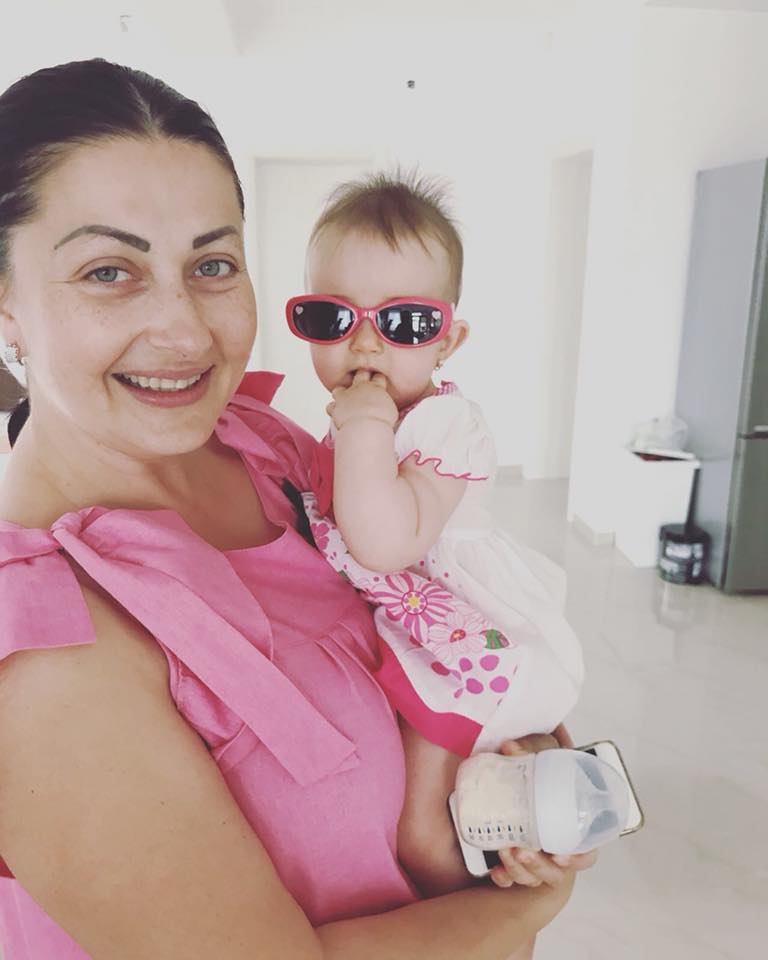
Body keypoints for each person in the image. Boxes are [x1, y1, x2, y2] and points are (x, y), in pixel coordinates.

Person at [0, 59, 585, 960]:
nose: (185, 331)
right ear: (6, 302)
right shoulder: (40, 652)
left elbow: (415, 622)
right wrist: (535, 906)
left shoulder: (262, 443)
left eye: (212, 264)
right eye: (109, 271)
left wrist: (511, 767)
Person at [287, 174, 585, 893]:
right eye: (332, 317)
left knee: (424, 832)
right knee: (469, 806)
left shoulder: (446, 426)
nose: (365, 342)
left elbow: (386, 544)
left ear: (447, 340)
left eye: (406, 323)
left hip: (463, 645)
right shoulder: (362, 420)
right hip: (415, 635)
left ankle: (482, 915)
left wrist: (364, 428)